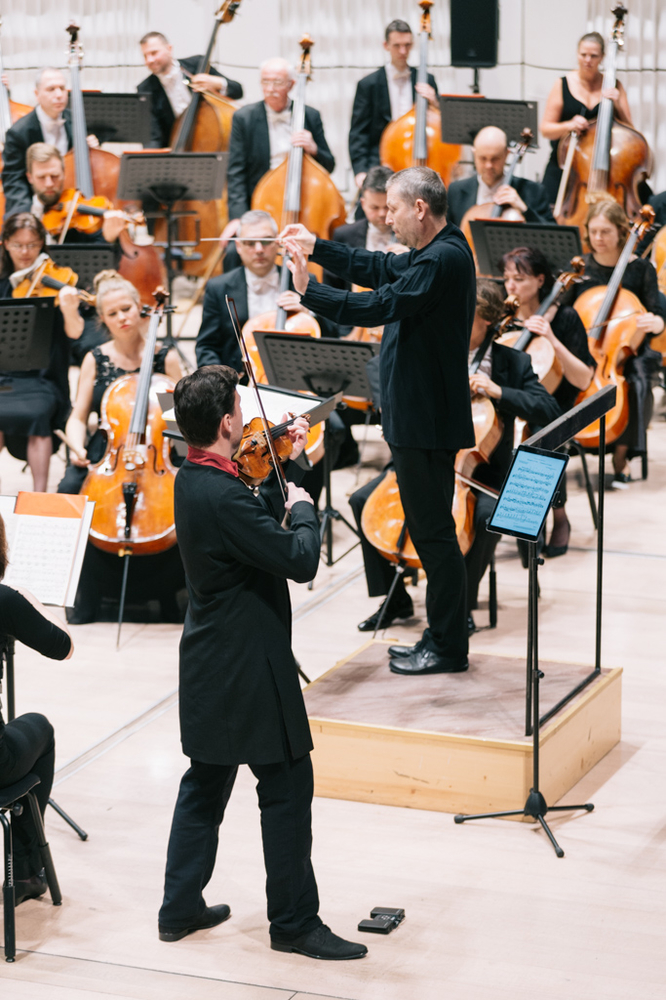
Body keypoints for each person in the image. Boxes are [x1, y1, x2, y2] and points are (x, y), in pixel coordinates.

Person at [158, 365, 367, 962]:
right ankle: (295, 924)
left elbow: (250, 524)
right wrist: (303, 506)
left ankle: (178, 907)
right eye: (241, 411)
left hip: (208, 660)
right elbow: (298, 559)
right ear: (227, 423)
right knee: (287, 786)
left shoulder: (193, 476)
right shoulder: (224, 495)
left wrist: (286, 466)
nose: (249, 420)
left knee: (205, 784)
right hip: (250, 665)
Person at [281, 166, 476, 676]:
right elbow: (378, 267)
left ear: (419, 208)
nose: (386, 218)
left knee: (433, 536)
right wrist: (316, 247)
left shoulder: (443, 258)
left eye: (392, 208)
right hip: (418, 416)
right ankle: (442, 638)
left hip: (425, 420)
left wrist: (309, 292)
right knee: (431, 532)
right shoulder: (436, 251)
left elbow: (379, 305)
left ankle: (447, 647)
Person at [351, 280, 560, 634]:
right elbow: (377, 367)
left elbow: (548, 409)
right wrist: (392, 407)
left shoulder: (512, 362)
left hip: (481, 475)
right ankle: (396, 598)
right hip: (421, 460)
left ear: (489, 321)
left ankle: (460, 604)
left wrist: (499, 391)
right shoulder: (432, 346)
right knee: (361, 501)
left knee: (486, 518)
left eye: (464, 314)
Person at [57, 270, 184, 624]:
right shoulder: (95, 358)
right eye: (112, 314)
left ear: (140, 308)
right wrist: (77, 446)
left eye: (126, 309)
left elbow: (182, 421)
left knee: (187, 496)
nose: (122, 318)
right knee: (69, 488)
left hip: (158, 448)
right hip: (109, 448)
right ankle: (87, 594)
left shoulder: (165, 356)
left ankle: (170, 591)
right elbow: (78, 416)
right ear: (103, 319)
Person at [562, 199, 664, 488]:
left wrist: (656, 323)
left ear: (621, 231)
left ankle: (622, 456)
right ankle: (564, 439)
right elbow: (564, 311)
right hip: (585, 347)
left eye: (605, 232)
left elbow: (656, 312)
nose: (598, 238)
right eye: (593, 231)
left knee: (638, 378)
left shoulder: (640, 269)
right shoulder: (580, 267)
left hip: (628, 348)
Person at [501, 245, 596, 555]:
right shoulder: (504, 319)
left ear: (541, 280)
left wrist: (551, 339)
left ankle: (557, 515)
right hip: (511, 402)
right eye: (507, 278)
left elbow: (583, 379)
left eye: (519, 279)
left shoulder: (565, 318)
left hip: (557, 407)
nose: (511, 286)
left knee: (541, 439)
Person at [0, 513, 73, 905]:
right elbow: (63, 648)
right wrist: (27, 603)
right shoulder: (5, 599)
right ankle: (27, 872)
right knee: (40, 728)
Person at [0, 212, 83, 491]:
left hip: (43, 377)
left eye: (32, 245)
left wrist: (70, 308)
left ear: (42, 245)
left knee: (38, 412)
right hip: (4, 374)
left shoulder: (57, 280)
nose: (25, 252)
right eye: (18, 245)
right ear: (5, 244)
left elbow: (75, 333)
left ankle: (39, 496)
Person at [225, 58, 335, 227]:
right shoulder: (244, 117)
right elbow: (236, 172)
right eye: (265, 82)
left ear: (291, 84)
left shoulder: (310, 116)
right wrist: (238, 217)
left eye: (277, 82)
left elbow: (329, 166)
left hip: (303, 199)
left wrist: (313, 149)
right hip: (259, 201)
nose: (270, 89)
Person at [540, 31, 634, 206]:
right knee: (546, 208)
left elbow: (631, 132)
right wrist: (569, 125)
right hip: (565, 165)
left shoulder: (614, 85)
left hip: (604, 167)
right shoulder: (562, 84)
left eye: (593, 56)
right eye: (583, 55)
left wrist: (618, 106)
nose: (587, 60)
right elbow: (546, 130)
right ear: (577, 54)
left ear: (602, 57)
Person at [348, 19, 438, 192]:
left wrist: (435, 102)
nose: (403, 51)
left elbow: (439, 124)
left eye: (407, 45)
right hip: (380, 163)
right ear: (386, 45)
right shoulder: (368, 84)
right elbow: (358, 132)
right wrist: (360, 171)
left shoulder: (427, 79)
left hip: (420, 160)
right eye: (397, 46)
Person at [1, 68, 98, 218]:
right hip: (35, 205)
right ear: (37, 94)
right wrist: (28, 217)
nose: (59, 95)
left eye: (62, 88)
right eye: (51, 89)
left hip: (70, 205)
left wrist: (93, 147)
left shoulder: (76, 121)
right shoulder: (19, 132)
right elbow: (13, 179)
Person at [137, 31, 243, 149]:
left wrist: (217, 83)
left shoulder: (197, 64)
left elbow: (238, 91)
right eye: (145, 56)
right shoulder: (145, 89)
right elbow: (152, 135)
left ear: (169, 49)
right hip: (176, 149)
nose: (149, 60)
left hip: (212, 141)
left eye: (154, 53)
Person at [446, 126, 554, 227]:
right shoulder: (456, 191)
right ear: (474, 154)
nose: (488, 165)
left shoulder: (533, 191)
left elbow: (552, 233)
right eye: (483, 158)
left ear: (506, 154)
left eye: (495, 159)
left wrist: (524, 210)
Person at [323, 165, 396, 291]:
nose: (382, 214)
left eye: (387, 207)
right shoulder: (344, 235)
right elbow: (331, 287)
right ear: (363, 204)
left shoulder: (415, 234)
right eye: (374, 207)